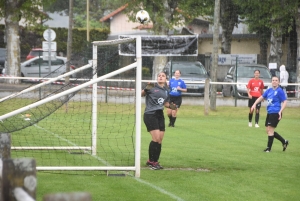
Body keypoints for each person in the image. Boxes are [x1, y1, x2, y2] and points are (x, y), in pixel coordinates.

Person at [142, 72, 175, 170]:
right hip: (150, 114)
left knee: (160, 140)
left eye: (163, 76)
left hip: (160, 114)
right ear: (157, 78)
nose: (160, 77)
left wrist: (172, 106)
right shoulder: (152, 87)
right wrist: (146, 88)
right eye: (159, 76)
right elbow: (141, 94)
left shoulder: (166, 90)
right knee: (155, 139)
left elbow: (165, 103)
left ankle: (153, 161)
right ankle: (152, 162)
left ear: (166, 79)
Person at [251, 76, 289, 152]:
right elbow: (261, 97)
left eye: (276, 80)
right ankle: (284, 141)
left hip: (275, 113)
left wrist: (280, 111)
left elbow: (285, 101)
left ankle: (268, 149)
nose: (274, 81)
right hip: (269, 112)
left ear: (278, 82)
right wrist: (254, 104)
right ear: (271, 81)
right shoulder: (269, 90)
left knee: (270, 131)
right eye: (273, 80)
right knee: (268, 130)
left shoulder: (279, 91)